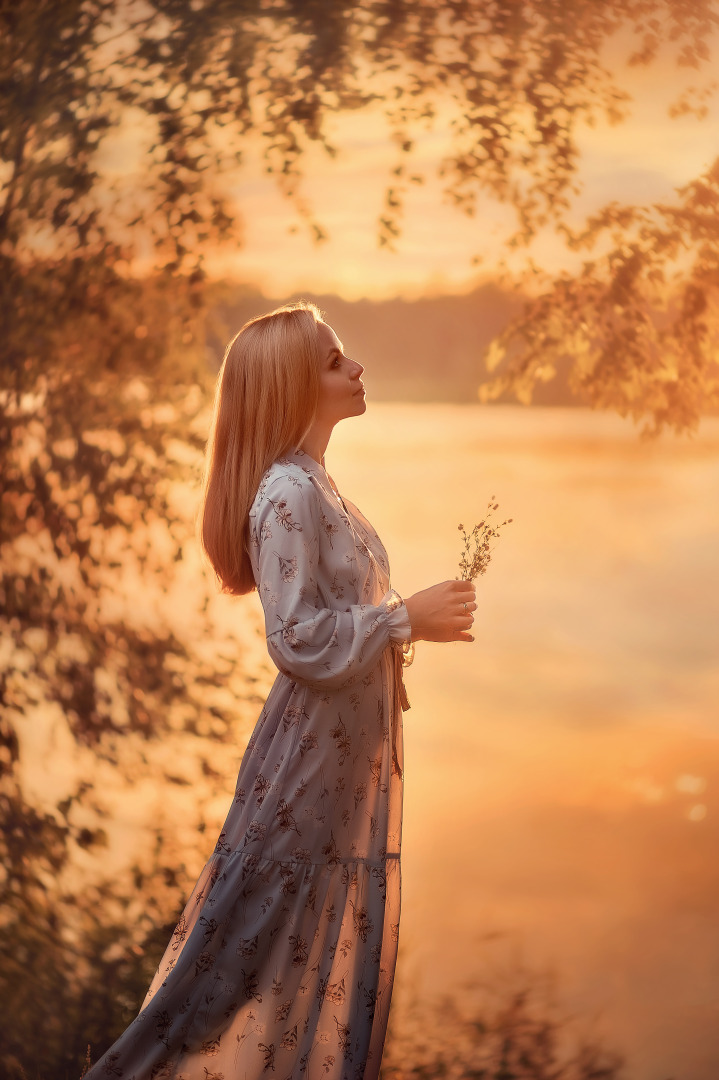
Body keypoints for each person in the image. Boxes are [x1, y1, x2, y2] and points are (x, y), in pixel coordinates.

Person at [85, 301, 476, 1080]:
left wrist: (402, 629)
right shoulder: (286, 493)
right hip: (306, 761)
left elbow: (332, 626)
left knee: (298, 944)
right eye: (335, 360)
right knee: (237, 956)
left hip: (342, 757)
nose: (356, 368)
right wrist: (402, 620)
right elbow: (295, 639)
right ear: (294, 383)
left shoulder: (315, 482)